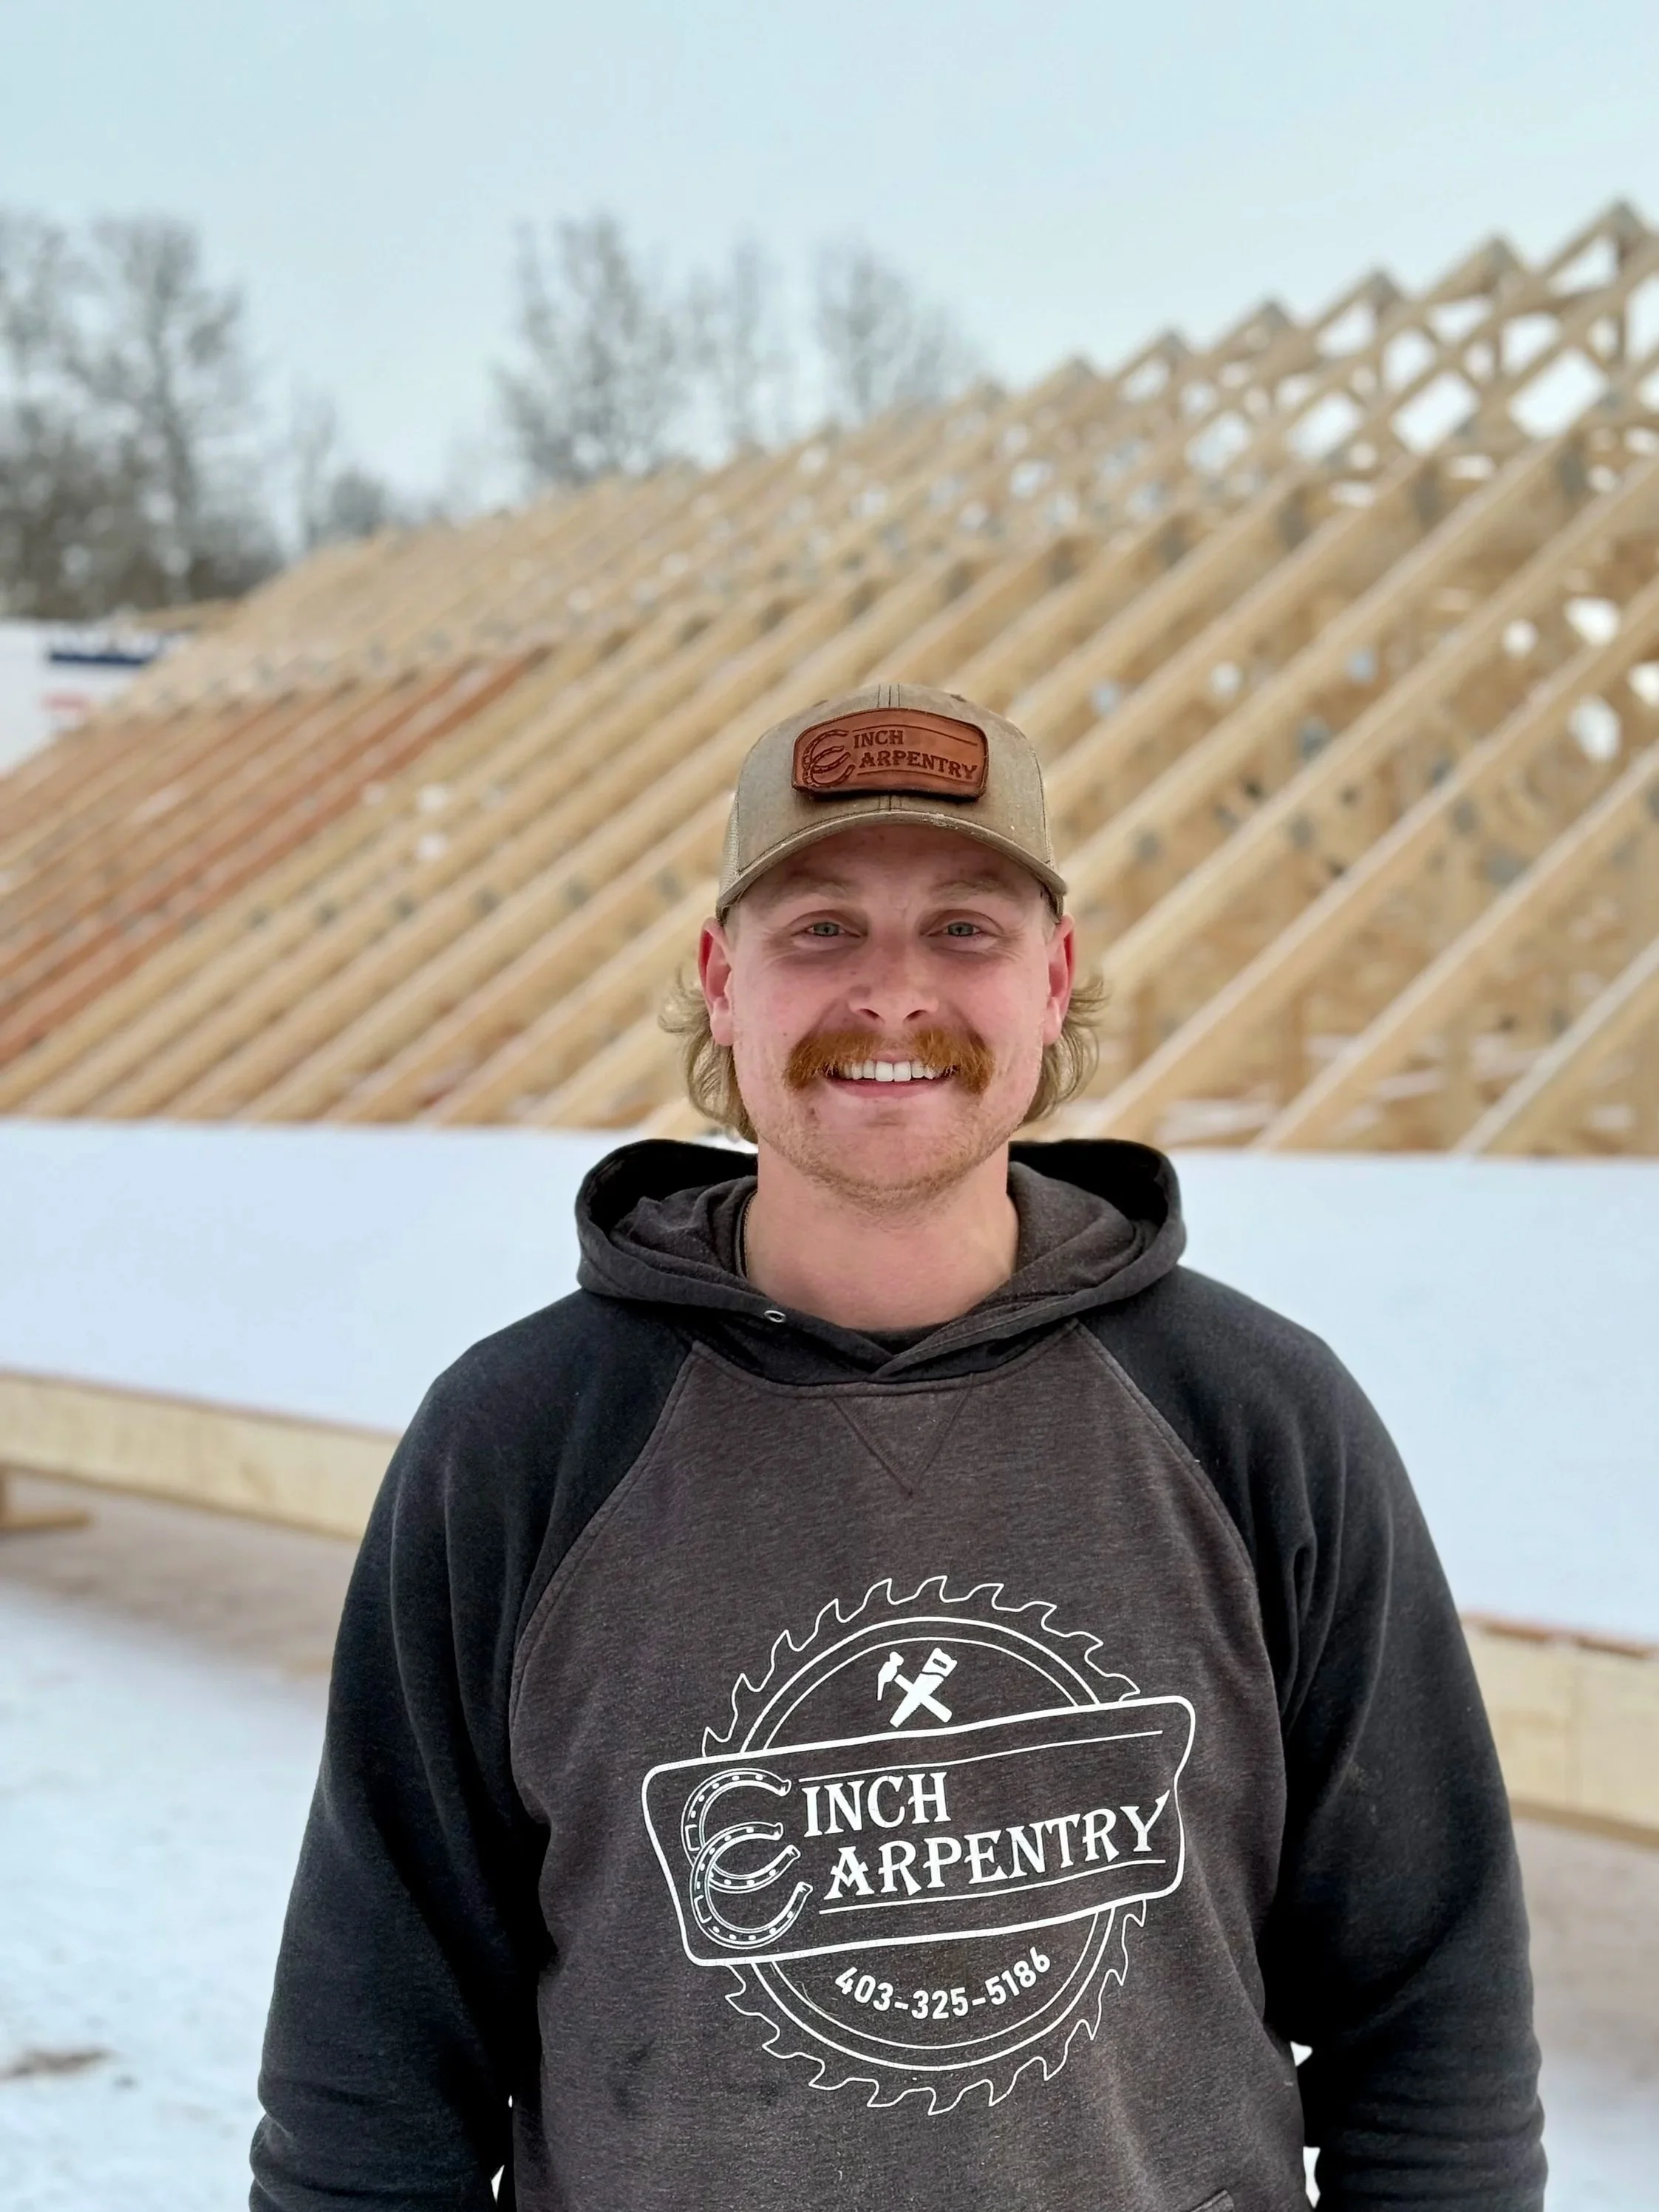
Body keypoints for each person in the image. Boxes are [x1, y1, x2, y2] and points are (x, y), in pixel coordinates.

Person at [252, 684, 1544, 2211]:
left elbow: (1433, 2011)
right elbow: (370, 2065)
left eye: (964, 929)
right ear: (720, 981)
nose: (889, 991)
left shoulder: (1256, 1420)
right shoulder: (526, 1442)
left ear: (1054, 980)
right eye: (819, 929)